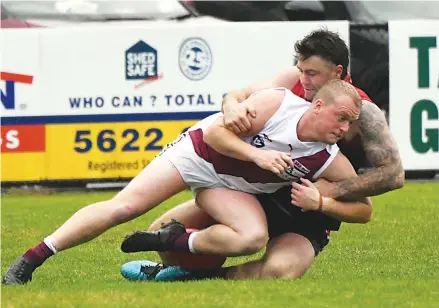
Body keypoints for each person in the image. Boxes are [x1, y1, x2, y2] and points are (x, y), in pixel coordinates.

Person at [2, 80, 370, 285]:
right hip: (197, 156)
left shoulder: (329, 158)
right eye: (340, 118)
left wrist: (321, 204)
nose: (343, 129)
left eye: (349, 124)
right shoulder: (278, 105)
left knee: (251, 239)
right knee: (124, 207)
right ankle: (31, 259)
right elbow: (214, 135)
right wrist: (258, 155)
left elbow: (364, 207)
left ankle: (171, 240)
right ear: (317, 107)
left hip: (228, 187)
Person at [120, 29, 404, 282]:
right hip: (258, 188)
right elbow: (240, 96)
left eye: (312, 74)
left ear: (337, 72)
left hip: (308, 208)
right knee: (162, 233)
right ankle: (174, 264)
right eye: (301, 70)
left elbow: (394, 174)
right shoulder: (293, 80)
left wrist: (325, 195)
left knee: (280, 272)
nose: (303, 79)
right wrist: (230, 105)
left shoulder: (363, 112)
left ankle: (205, 277)